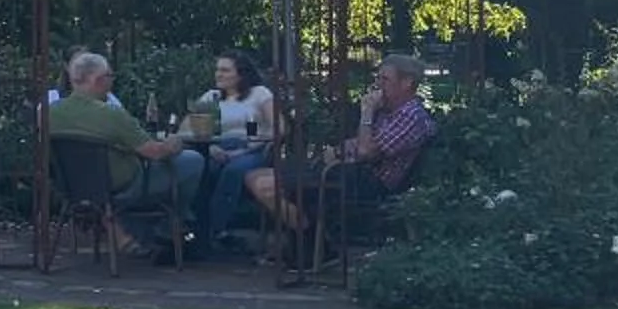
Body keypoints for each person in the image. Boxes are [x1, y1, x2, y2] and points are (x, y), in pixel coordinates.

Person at [252, 54, 437, 249]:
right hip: (349, 170)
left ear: (407, 83)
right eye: (377, 78)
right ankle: (309, 238)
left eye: (385, 79)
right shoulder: (389, 112)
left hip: (368, 182)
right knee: (256, 176)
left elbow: (366, 151)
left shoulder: (411, 117)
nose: (378, 85)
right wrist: (339, 151)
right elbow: (360, 142)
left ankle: (311, 241)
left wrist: (366, 112)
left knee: (266, 185)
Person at [48, 50, 206, 261]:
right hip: (123, 187)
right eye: (110, 76)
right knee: (192, 160)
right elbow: (154, 152)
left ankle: (155, 229)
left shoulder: (51, 113)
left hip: (72, 188)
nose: (112, 82)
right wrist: (174, 144)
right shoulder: (111, 115)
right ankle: (173, 226)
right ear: (98, 80)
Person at [195, 49, 278, 246]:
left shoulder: (259, 94)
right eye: (217, 70)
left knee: (233, 171)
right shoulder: (211, 97)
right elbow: (190, 127)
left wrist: (248, 147)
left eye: (225, 70)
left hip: (252, 147)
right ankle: (196, 228)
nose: (218, 75)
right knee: (199, 169)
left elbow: (279, 127)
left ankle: (214, 231)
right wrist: (212, 148)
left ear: (241, 74)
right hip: (217, 147)